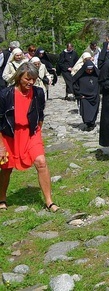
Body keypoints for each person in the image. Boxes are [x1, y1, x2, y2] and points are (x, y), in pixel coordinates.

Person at [0, 62, 58, 212]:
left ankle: (49, 201)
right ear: (19, 77)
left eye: (33, 79)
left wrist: (38, 132)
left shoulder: (38, 93)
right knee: (6, 168)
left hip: (31, 133)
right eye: (27, 79)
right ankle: (2, 198)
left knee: (41, 162)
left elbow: (40, 114)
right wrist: (1, 145)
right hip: (9, 135)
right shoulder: (5, 94)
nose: (30, 82)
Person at [72, 60, 100, 132]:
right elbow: (74, 85)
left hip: (94, 96)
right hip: (84, 97)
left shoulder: (97, 75)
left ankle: (92, 123)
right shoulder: (80, 76)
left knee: (94, 111)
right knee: (86, 112)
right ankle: (88, 123)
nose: (90, 71)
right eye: (88, 69)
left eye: (91, 69)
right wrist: (79, 94)